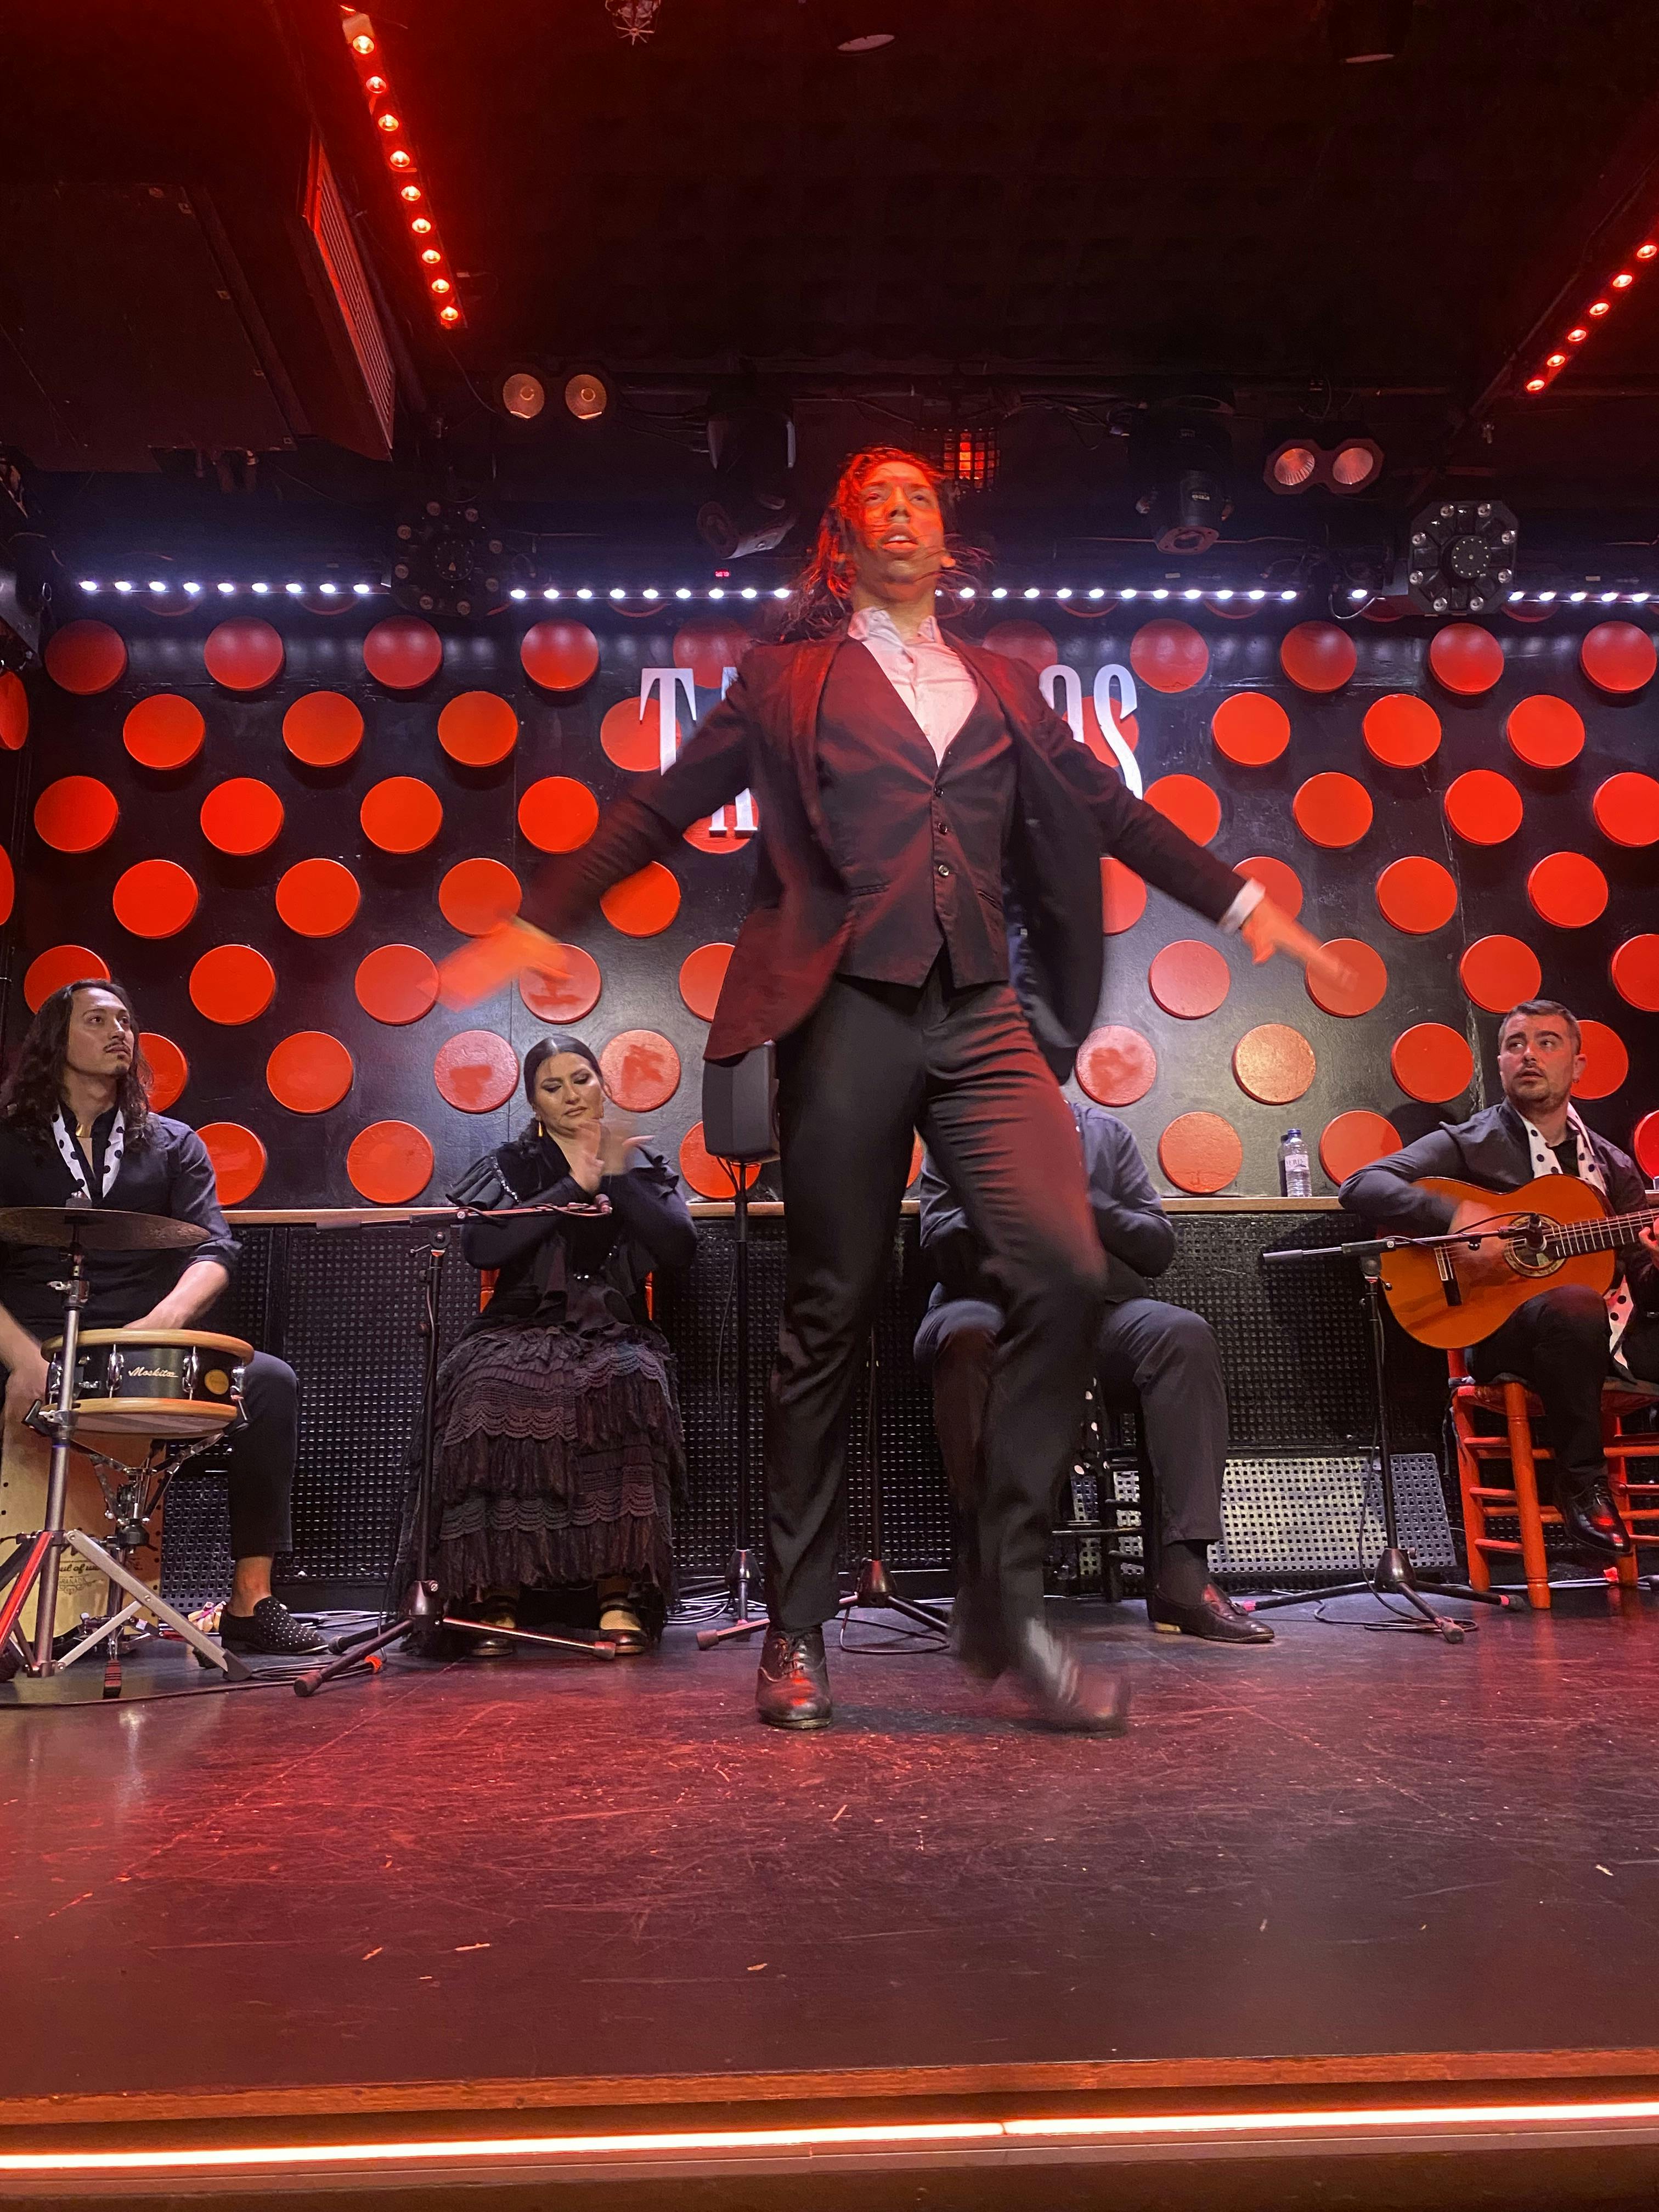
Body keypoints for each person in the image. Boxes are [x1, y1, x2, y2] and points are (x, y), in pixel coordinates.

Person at [443, 446, 1343, 1732]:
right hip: (847, 1005)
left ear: (945, 535)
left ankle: (1007, 1605)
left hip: (979, 1010)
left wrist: (1246, 902)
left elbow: (1110, 809)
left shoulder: (1004, 683)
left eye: (923, 496)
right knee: (830, 1314)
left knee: (1068, 1269)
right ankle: (797, 1630)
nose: (905, 512)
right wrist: (549, 912)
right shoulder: (784, 678)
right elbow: (665, 801)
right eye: (881, 499)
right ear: (844, 540)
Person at [0, 979, 321, 1654]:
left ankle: (251, 1600)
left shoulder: (173, 1144)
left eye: (125, 1020)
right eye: (97, 1020)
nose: (119, 1032)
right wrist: (23, 1359)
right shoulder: (7, 1141)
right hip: (27, 1342)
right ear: (55, 1040)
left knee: (270, 1384)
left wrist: (162, 1324)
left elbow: (215, 1249)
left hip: (138, 1344)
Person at [916, 1103, 1272, 1646]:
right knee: (965, 1341)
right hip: (987, 1308)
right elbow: (939, 1245)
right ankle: (991, 1583)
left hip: (1096, 1313)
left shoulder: (1107, 1136)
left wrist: (1087, 1202)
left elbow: (1157, 1248)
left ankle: (1183, 1579)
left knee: (1181, 1336)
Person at [1339, 998, 1659, 1556]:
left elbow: (1644, 1284)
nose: (1529, 1054)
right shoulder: (1471, 1141)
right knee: (1574, 1303)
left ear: (1578, 1066)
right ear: (1501, 1063)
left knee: (1584, 1305)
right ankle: (1581, 1485)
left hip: (1612, 1336)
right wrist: (1453, 1214)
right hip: (1506, 1333)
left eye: (1547, 1042)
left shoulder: (1612, 1167)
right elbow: (1361, 1185)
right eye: (1516, 1044)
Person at [435, 1033, 695, 1653]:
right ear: (535, 1103)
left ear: (603, 1085)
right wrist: (572, 1185)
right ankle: (496, 1593)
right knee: (487, 1387)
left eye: (582, 1079)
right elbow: (482, 1248)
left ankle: (617, 1593)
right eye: (552, 1087)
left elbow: (681, 1247)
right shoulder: (512, 1164)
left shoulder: (632, 1158)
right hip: (518, 1325)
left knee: (632, 1381)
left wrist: (612, 1171)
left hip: (612, 1326)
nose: (571, 1095)